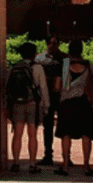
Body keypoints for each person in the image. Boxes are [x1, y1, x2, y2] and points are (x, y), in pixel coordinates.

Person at [54, 39, 93, 176]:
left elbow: (58, 87)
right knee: (86, 134)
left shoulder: (64, 65)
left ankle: (66, 166)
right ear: (81, 50)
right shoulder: (88, 65)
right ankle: (87, 166)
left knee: (66, 134)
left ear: (69, 51)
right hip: (83, 103)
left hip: (66, 103)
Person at [5, 42, 50, 173]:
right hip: (33, 104)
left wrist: (7, 106)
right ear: (34, 54)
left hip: (17, 104)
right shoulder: (38, 68)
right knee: (32, 135)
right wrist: (46, 106)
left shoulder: (13, 67)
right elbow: (43, 88)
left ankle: (16, 163)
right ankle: (32, 164)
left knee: (17, 135)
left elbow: (7, 87)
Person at [35, 34, 64, 165]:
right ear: (47, 44)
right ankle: (48, 154)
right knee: (47, 127)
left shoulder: (65, 58)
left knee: (64, 127)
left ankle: (66, 156)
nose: (53, 46)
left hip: (61, 97)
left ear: (59, 44)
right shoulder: (39, 58)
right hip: (47, 97)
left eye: (55, 43)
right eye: (50, 43)